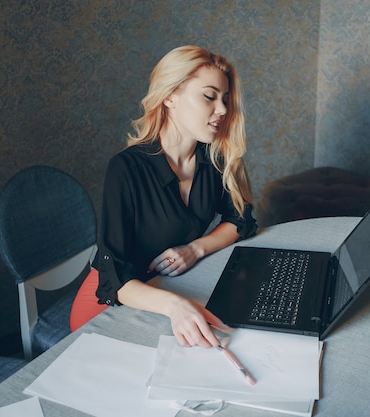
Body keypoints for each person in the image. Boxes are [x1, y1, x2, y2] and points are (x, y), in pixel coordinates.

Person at [70, 45, 257, 348]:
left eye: (225, 99)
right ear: (170, 96)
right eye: (209, 97)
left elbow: (241, 219)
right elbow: (114, 277)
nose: (222, 109)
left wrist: (195, 249)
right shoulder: (127, 168)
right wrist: (174, 306)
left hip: (170, 287)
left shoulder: (215, 158)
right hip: (112, 303)